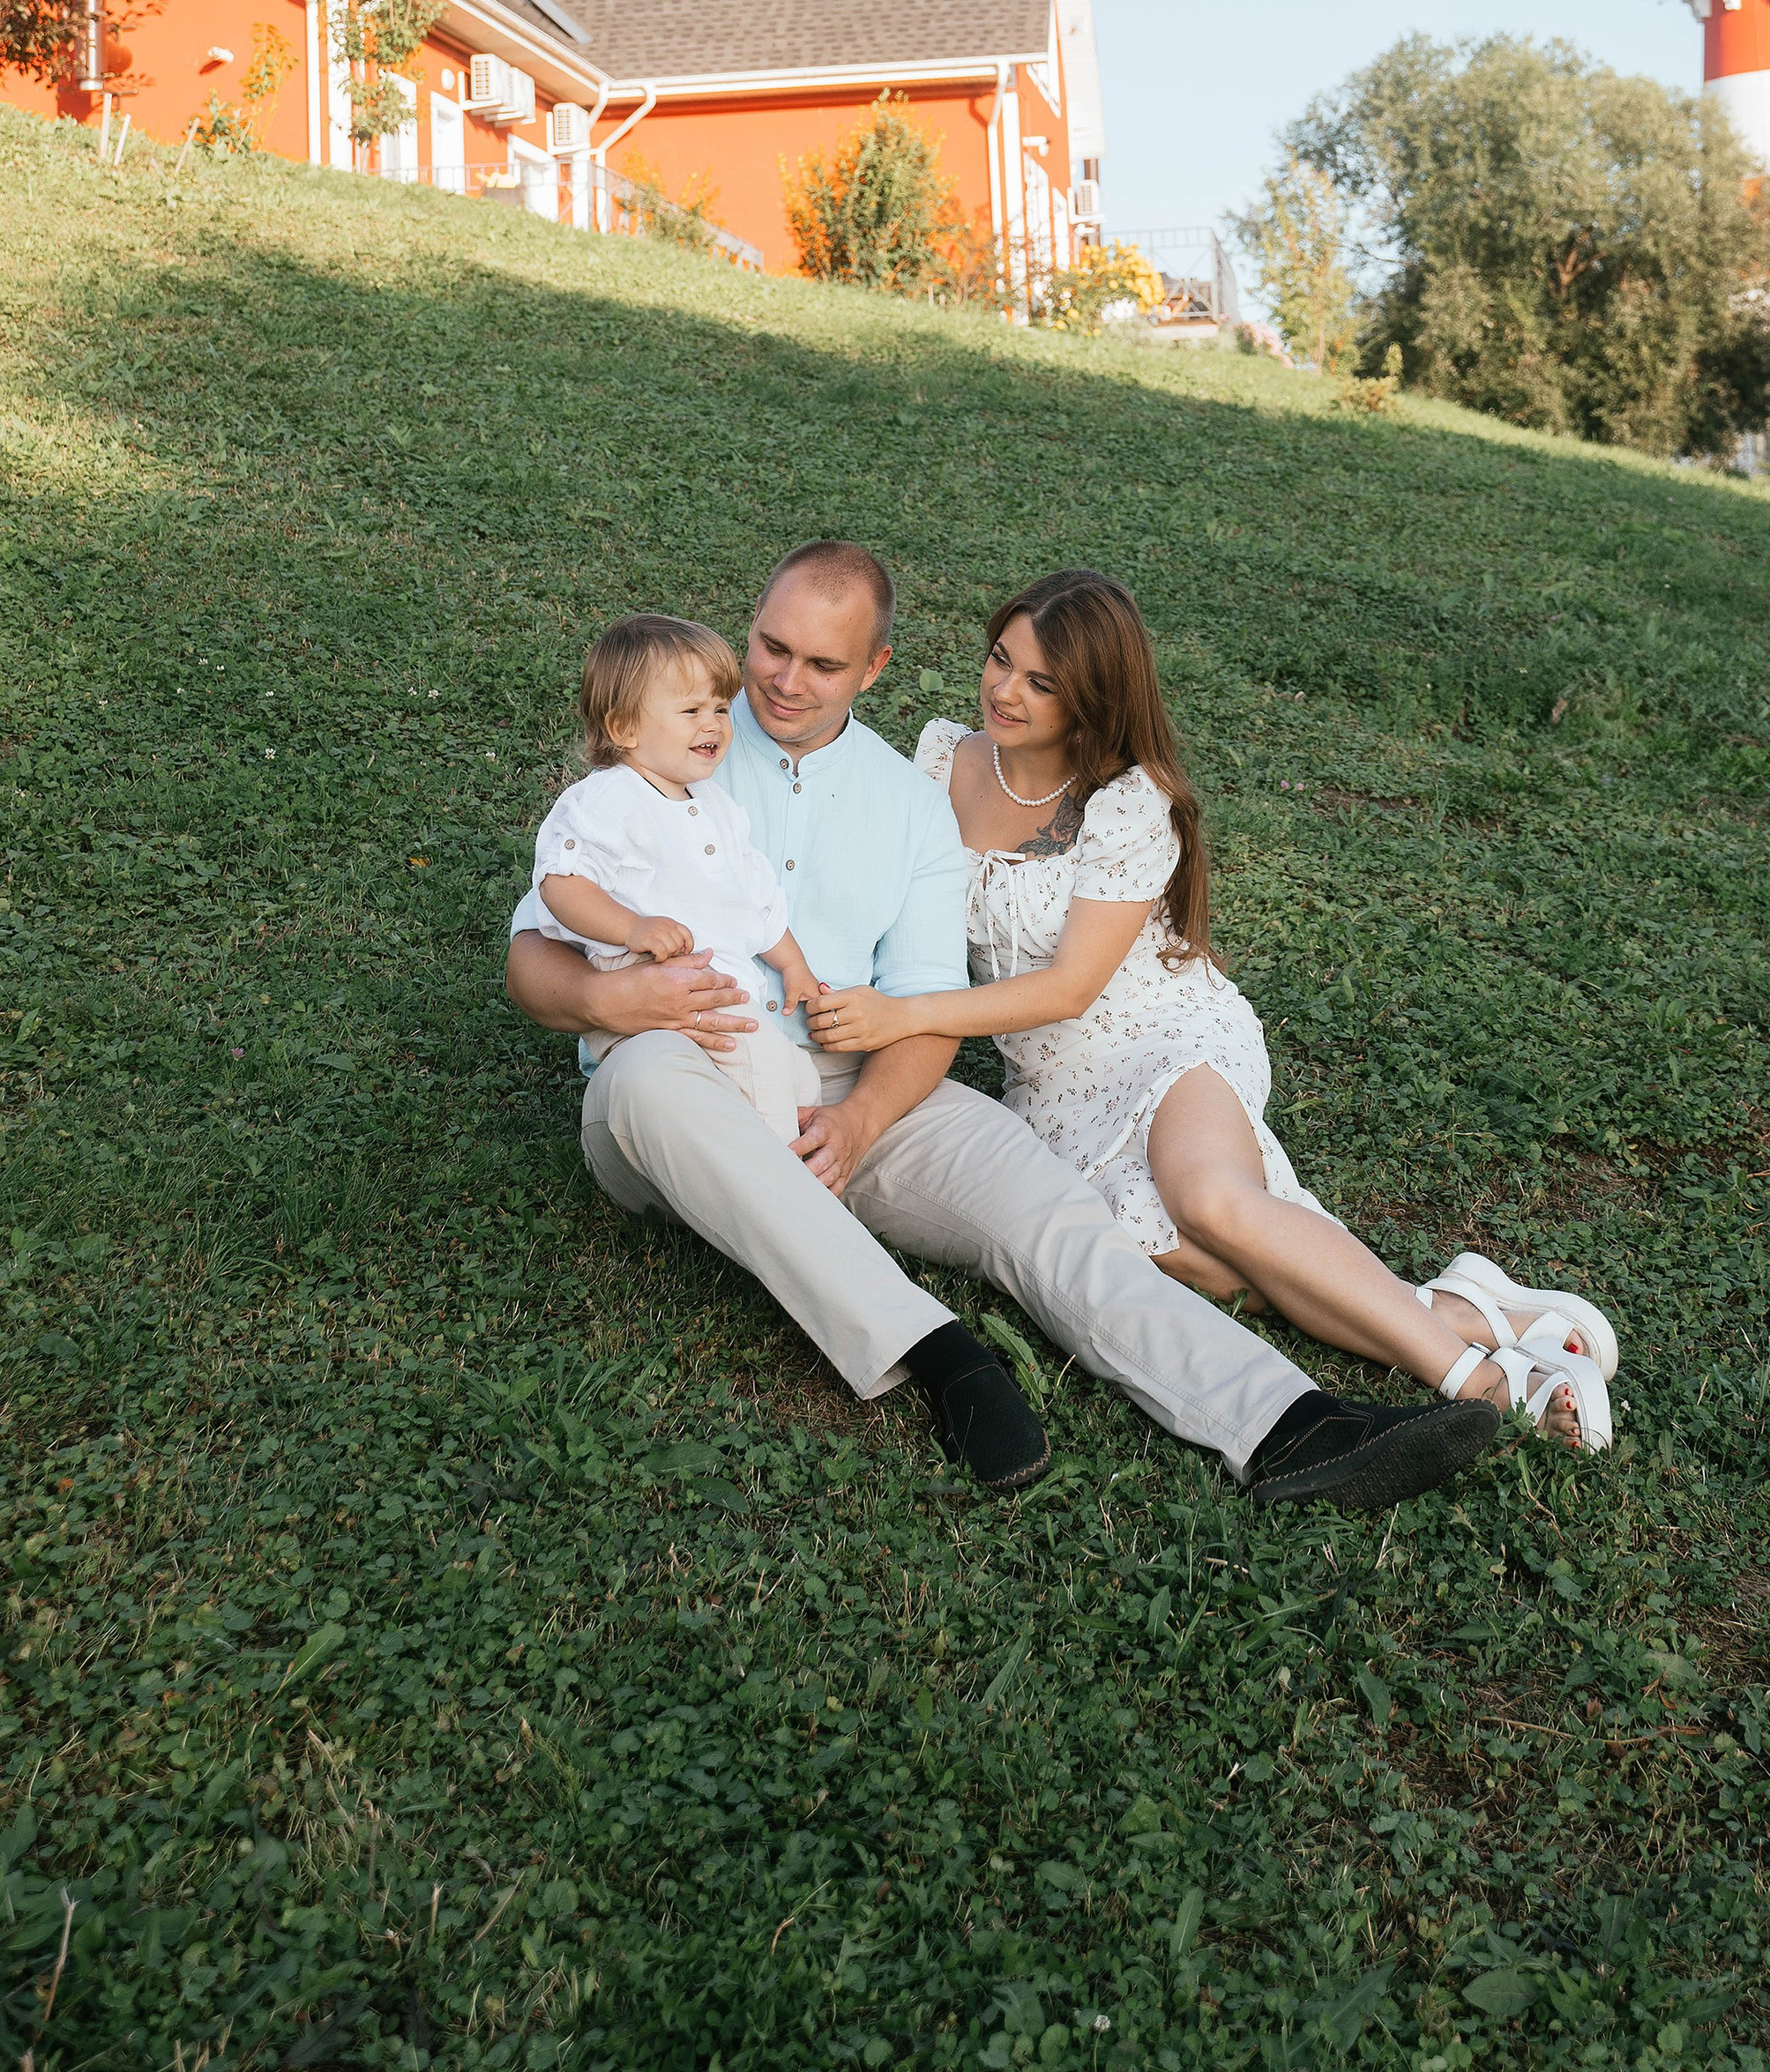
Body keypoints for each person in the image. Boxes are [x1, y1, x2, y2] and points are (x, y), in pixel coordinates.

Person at [504, 541, 1505, 1509]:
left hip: (851, 1090)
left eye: (822, 663)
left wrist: (856, 1127)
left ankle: (1289, 1425)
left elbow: (927, 1006)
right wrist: (610, 1002)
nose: (783, 683)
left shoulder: (912, 803)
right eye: (771, 648)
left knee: (1044, 1203)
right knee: (641, 1082)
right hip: (678, 1082)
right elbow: (533, 958)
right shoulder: (666, 754)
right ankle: (944, 1356)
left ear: (875, 668)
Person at [808, 570, 1617, 1450]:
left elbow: (1072, 989)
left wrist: (903, 1017)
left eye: (1041, 683)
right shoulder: (939, 758)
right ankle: (1457, 1307)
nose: (1005, 691)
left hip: (1159, 1038)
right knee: (1200, 1267)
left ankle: (1483, 1381)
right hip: (1046, 1088)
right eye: (1001, 661)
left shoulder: (1127, 800)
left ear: (1093, 697)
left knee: (1211, 1204)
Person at [523, 610, 822, 1146]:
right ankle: (779, 1174)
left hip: (721, 989)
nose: (713, 724)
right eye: (690, 710)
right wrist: (630, 928)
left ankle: (738, 1150)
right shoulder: (610, 797)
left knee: (803, 1084)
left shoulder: (717, 806)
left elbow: (757, 898)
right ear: (624, 728)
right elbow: (562, 882)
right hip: (648, 973)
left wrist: (794, 966)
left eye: (720, 709)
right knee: (768, 1087)